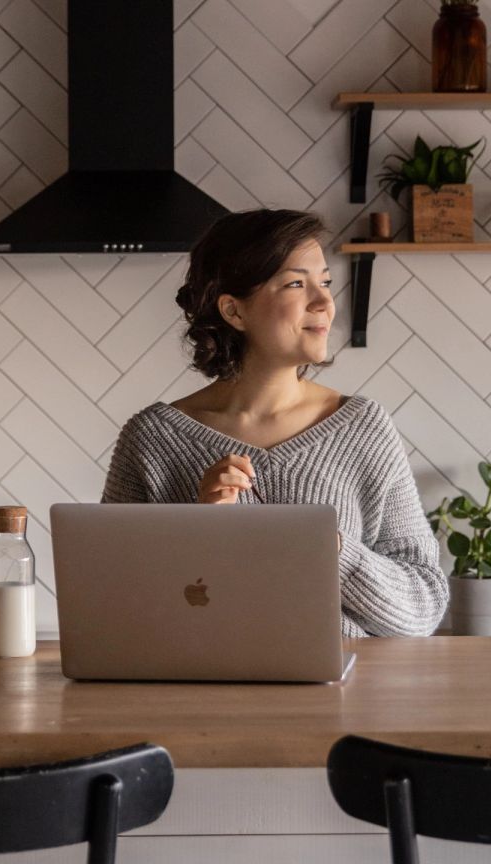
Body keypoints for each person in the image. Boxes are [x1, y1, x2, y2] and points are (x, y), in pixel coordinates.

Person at [101, 208, 448, 637]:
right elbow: (110, 608)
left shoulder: (363, 428)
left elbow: (424, 607)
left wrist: (331, 549)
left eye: (324, 282)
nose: (324, 302)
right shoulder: (151, 440)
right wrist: (199, 532)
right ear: (234, 311)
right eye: (296, 284)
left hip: (344, 698)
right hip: (198, 696)